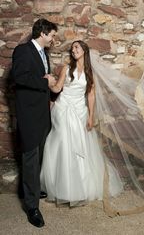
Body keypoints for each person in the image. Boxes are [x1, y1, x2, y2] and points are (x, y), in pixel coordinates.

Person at [40, 40, 123, 205]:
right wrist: (49, 82)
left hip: (80, 109)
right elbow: (58, 88)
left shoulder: (89, 72)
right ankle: (61, 187)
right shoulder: (66, 68)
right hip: (63, 108)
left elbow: (91, 95)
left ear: (84, 50)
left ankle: (80, 187)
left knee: (81, 146)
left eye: (76, 47)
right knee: (63, 140)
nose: (73, 50)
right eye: (72, 49)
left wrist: (91, 116)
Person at [12, 18, 57, 228]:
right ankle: (32, 207)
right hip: (29, 115)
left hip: (42, 115)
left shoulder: (43, 53)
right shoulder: (23, 51)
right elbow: (19, 78)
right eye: (52, 35)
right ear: (43, 33)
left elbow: (43, 82)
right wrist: (45, 81)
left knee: (37, 155)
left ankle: (31, 187)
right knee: (30, 157)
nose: (53, 39)